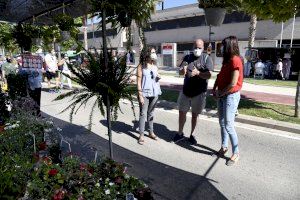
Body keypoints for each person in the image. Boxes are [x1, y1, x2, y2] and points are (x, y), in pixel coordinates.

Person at [173, 39, 213, 144]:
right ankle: (180, 133)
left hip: (199, 93)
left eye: (199, 48)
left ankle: (192, 134)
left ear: (203, 48)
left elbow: (209, 75)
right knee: (182, 112)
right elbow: (180, 72)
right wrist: (182, 70)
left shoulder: (207, 58)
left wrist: (199, 73)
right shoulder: (187, 57)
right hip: (186, 91)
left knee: (195, 115)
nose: (197, 49)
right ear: (192, 47)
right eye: (195, 47)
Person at [212, 36, 243, 166]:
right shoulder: (227, 61)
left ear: (230, 45)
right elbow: (219, 77)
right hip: (222, 95)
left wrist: (221, 93)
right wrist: (214, 89)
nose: (221, 47)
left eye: (223, 45)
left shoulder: (236, 60)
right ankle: (224, 147)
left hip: (230, 96)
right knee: (222, 123)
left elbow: (232, 83)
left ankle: (236, 153)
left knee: (229, 125)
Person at [136, 47, 162, 145]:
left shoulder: (154, 65)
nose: (154, 54)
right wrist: (140, 95)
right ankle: (141, 135)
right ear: (147, 54)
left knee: (151, 113)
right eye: (152, 52)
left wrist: (158, 77)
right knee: (143, 114)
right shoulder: (141, 66)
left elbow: (155, 77)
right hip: (145, 93)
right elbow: (138, 82)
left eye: (155, 52)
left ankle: (151, 132)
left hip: (154, 93)